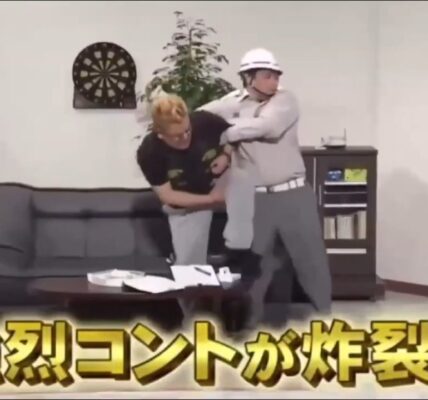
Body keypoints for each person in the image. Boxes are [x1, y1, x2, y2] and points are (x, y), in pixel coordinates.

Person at [199, 48, 332, 324]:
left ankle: (326, 321)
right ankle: (250, 326)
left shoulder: (285, 100)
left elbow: (268, 127)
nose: (274, 81)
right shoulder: (232, 102)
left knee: (311, 264)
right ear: (249, 78)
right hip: (256, 200)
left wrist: (223, 130)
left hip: (293, 194)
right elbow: (200, 118)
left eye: (276, 76)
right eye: (268, 76)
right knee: (255, 267)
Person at [136, 94, 259, 277]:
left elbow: (237, 137)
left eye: (187, 131)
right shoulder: (150, 152)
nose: (185, 137)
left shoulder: (205, 121)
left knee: (243, 178)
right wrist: (212, 199)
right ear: (160, 134)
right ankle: (195, 291)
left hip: (223, 180)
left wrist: (226, 155)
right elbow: (168, 196)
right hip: (190, 200)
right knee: (189, 272)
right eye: (177, 136)